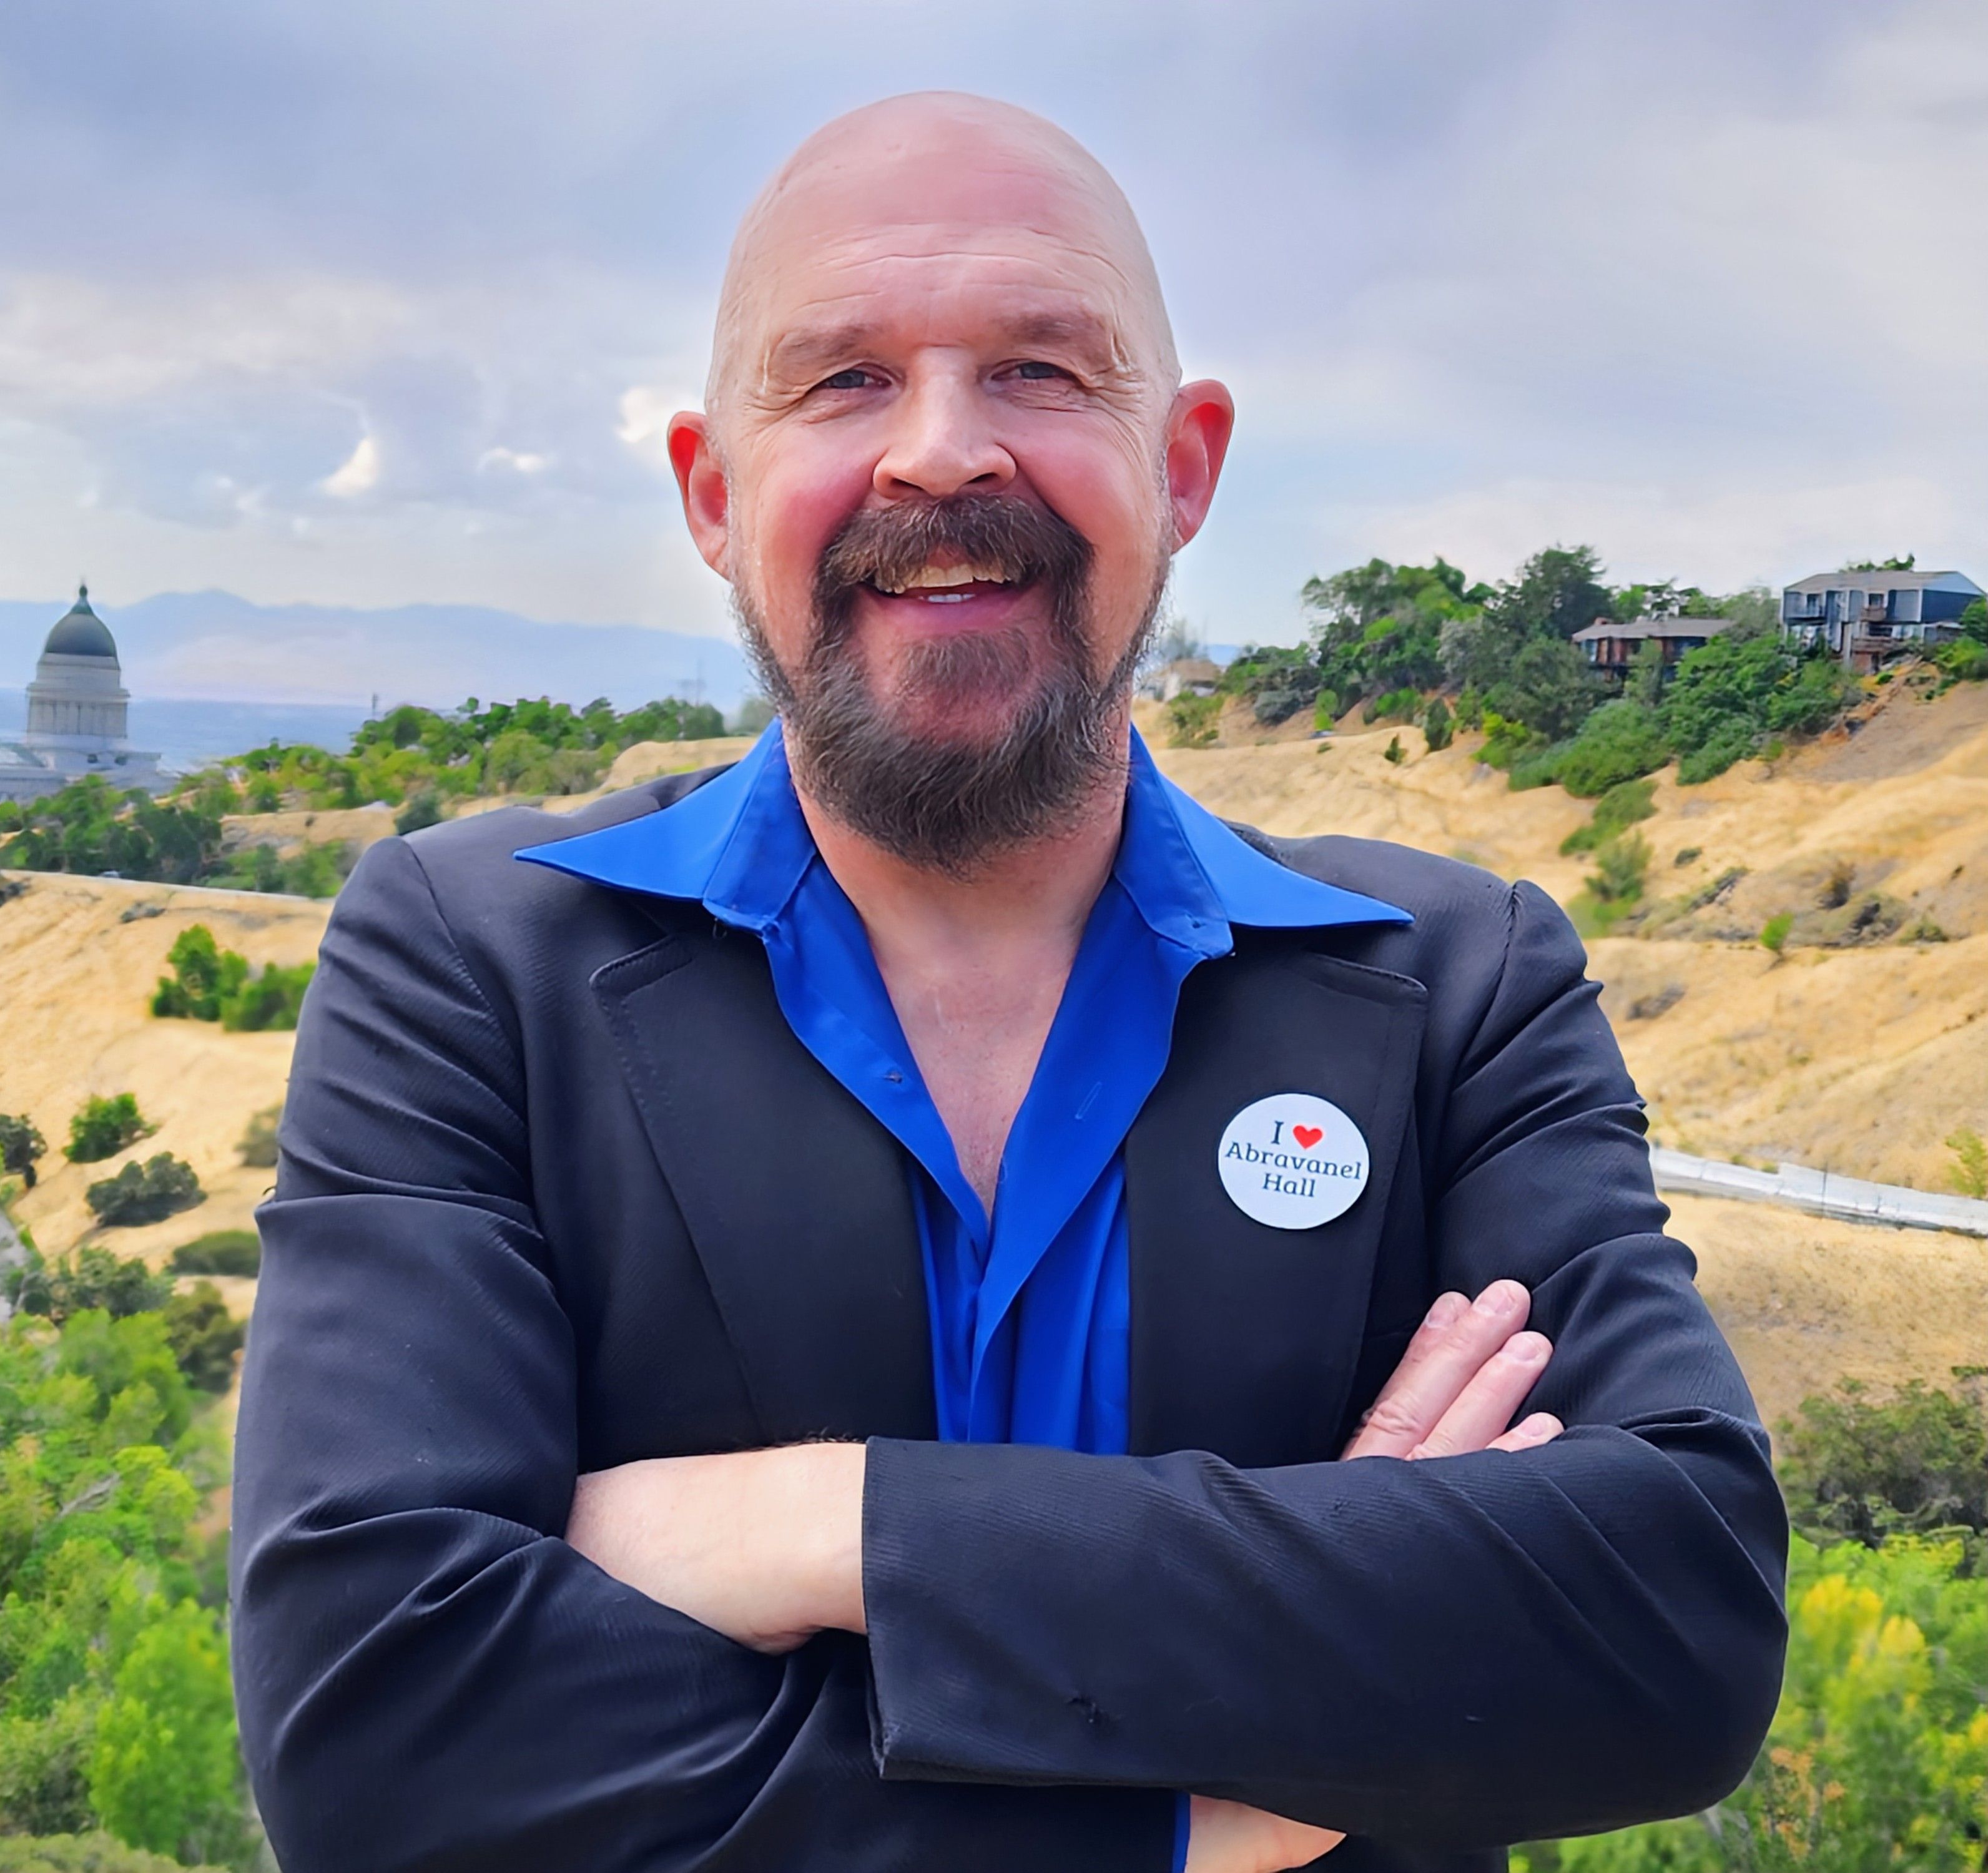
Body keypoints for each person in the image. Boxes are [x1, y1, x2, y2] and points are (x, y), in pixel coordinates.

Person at [232, 92, 1786, 1873]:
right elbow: (377, 1731)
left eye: (1042, 369)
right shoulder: (470, 963)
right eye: (844, 380)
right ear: (715, 496)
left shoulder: (1459, 986)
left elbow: (1673, 1624)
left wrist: (811, 1527)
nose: (942, 452)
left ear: (1183, 468)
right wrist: (1205, 1799)